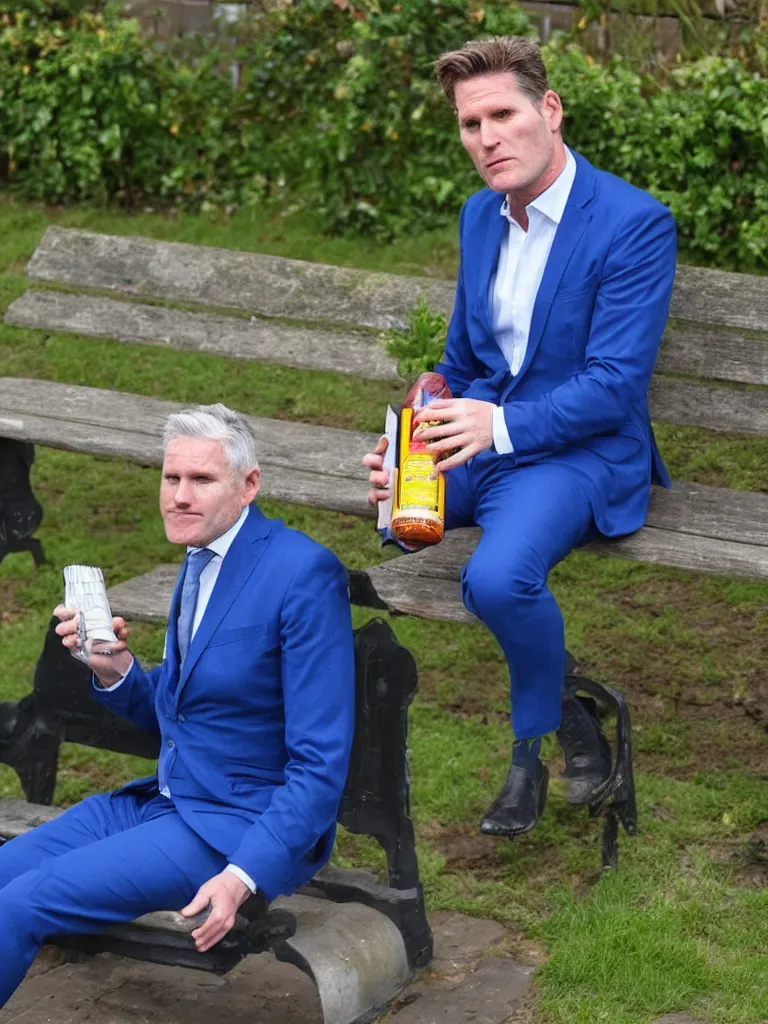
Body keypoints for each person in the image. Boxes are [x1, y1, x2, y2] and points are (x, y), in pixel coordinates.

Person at [365, 36, 676, 839]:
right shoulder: (480, 216)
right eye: (471, 124)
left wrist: (495, 424)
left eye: (502, 114)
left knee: (498, 582)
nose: (487, 138)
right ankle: (576, 710)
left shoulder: (633, 225)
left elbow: (613, 386)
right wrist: (416, 434)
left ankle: (536, 750)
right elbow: (464, 362)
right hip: (490, 433)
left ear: (549, 110)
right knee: (404, 521)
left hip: (580, 450)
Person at [0, 404, 355, 1004]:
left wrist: (243, 877)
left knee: (19, 905)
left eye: (201, 480)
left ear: (249, 486)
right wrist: (115, 671)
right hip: (163, 800)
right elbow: (185, 709)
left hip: (231, 827)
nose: (180, 497)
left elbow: (320, 768)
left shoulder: (302, 574)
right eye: (172, 479)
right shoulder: (200, 560)